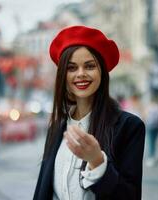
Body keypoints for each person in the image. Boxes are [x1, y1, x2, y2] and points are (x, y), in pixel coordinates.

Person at [33, 26, 146, 200]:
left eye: (90, 66)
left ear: (102, 71)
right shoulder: (56, 127)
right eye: (71, 68)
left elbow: (130, 196)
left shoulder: (129, 127)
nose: (81, 74)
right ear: (63, 75)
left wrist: (97, 162)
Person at [144, 95, 158, 167]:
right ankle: (153, 156)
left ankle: (151, 158)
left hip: (150, 126)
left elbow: (145, 116)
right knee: (154, 141)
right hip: (157, 126)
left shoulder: (148, 107)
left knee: (150, 142)